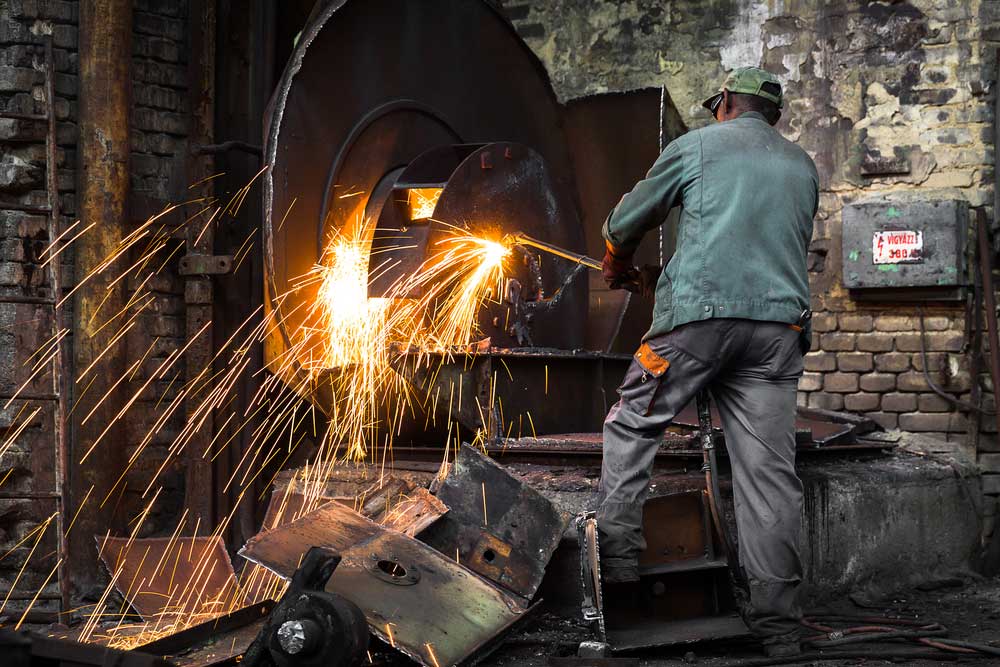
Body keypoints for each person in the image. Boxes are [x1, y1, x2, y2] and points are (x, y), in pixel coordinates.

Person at [597, 66, 818, 658]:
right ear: (772, 115)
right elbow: (756, 243)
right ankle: (779, 629)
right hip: (777, 334)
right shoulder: (801, 165)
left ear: (723, 102)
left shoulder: (694, 146)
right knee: (769, 475)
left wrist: (618, 266)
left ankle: (616, 566)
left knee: (632, 419)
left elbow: (626, 221)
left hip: (696, 325)